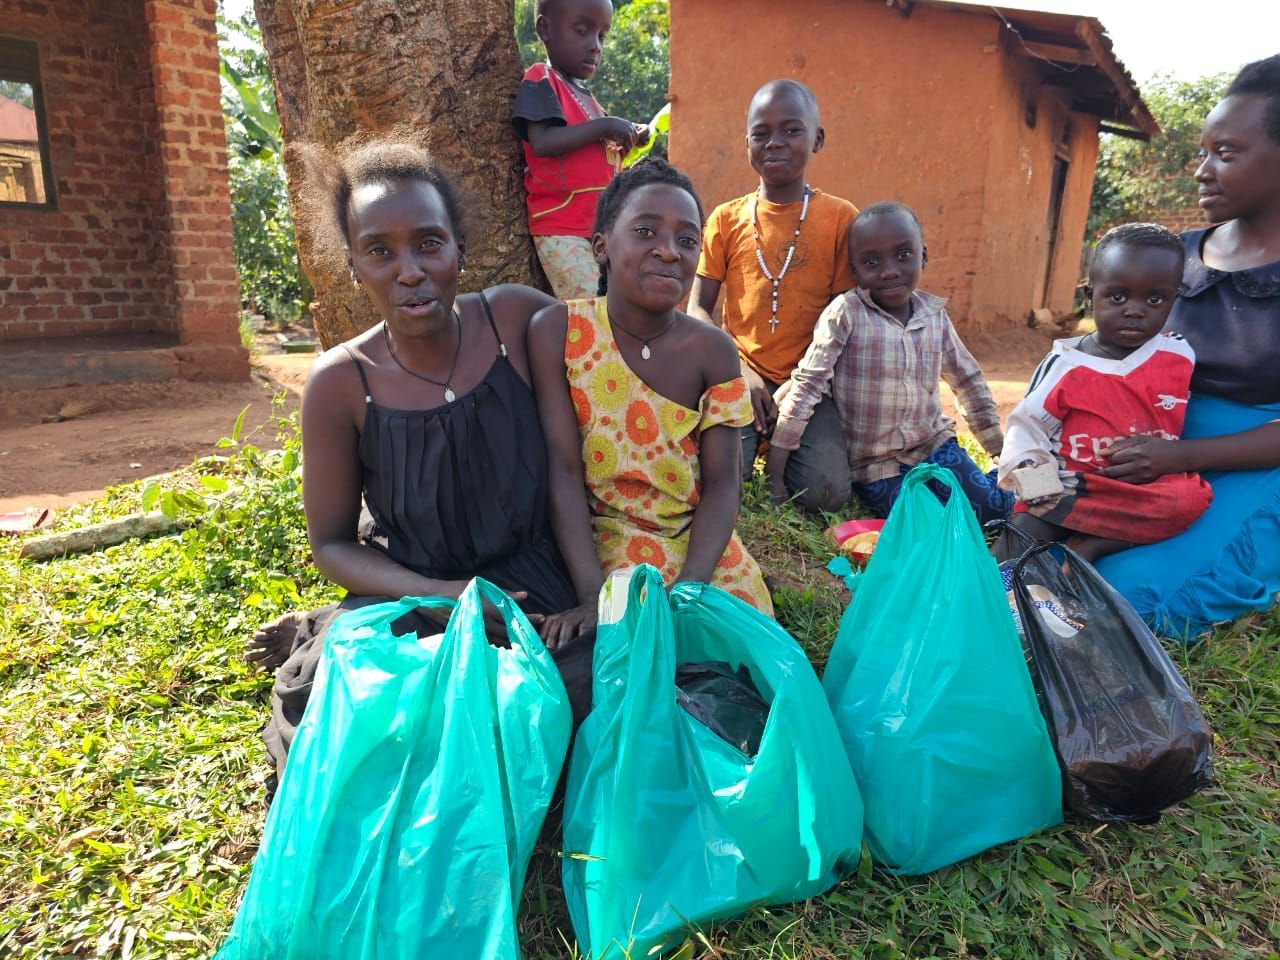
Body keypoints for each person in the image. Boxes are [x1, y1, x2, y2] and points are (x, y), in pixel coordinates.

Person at [249, 137, 597, 792]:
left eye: (428, 243)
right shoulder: (340, 384)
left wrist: (721, 372)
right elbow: (329, 543)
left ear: (458, 248)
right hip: (416, 595)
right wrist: (446, 597)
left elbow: (604, 381)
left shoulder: (518, 321)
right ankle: (322, 631)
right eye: (380, 251)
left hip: (532, 595)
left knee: (578, 706)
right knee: (371, 741)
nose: (408, 269)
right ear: (355, 265)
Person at [529, 157, 774, 614]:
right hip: (606, 539)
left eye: (686, 239)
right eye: (645, 232)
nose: (668, 251)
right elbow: (561, 470)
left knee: (744, 643)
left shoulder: (714, 351)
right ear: (600, 246)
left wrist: (691, 590)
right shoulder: (559, 331)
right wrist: (589, 597)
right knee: (632, 636)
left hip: (695, 541)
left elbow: (723, 485)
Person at [1093, 54, 1280, 639]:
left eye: (1225, 154)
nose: (1201, 170)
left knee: (1128, 593)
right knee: (1046, 540)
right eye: (1203, 151)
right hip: (1155, 442)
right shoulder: (1177, 255)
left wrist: (1180, 459)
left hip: (1257, 461)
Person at [767, 202, 1010, 524]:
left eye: (903, 255)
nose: (890, 270)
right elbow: (808, 385)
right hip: (877, 467)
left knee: (993, 510)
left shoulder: (934, 316)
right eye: (871, 261)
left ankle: (1003, 484)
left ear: (923, 256)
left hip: (935, 447)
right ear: (855, 271)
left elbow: (968, 382)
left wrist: (1000, 452)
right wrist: (775, 472)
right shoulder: (846, 314)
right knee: (926, 528)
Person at [687, 79, 858, 512]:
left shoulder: (839, 218)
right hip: (739, 377)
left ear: (817, 139)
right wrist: (741, 371)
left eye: (791, 130)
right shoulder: (725, 219)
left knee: (826, 495)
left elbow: (843, 316)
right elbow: (697, 308)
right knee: (720, 482)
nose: (775, 143)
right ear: (746, 143)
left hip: (812, 382)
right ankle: (752, 441)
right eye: (761, 133)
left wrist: (799, 387)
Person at [998, 223, 1214, 563]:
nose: (1134, 309)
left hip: (1143, 488)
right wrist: (1036, 479)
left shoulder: (1178, 356)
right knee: (1020, 536)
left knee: (1188, 499)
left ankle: (1094, 543)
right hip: (1076, 484)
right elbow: (1026, 427)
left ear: (1174, 300)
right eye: (1118, 297)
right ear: (1089, 296)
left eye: (1154, 299)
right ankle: (990, 594)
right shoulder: (1066, 365)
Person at [512, 0, 647, 300]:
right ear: (545, 29)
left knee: (617, 306)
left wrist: (628, 136)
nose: (595, 46)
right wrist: (605, 126)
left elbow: (597, 154)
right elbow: (544, 141)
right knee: (591, 310)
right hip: (562, 227)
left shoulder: (589, 99)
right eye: (582, 31)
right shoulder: (541, 79)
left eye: (601, 36)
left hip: (598, 229)